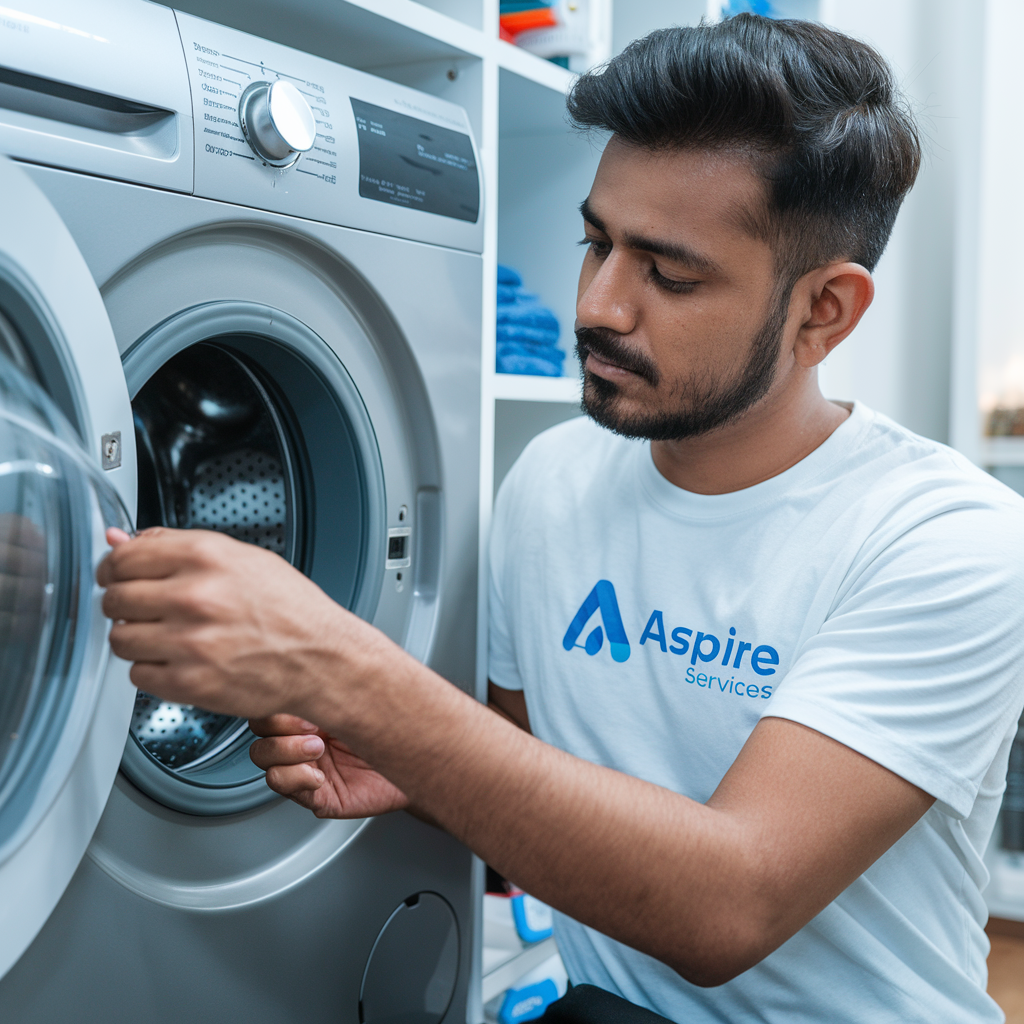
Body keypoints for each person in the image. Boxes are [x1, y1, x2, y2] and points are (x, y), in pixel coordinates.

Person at [98, 14, 1024, 1023]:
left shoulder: (949, 539)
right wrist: (406, 771)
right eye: (596, 243)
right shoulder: (553, 480)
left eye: (668, 274)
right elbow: (527, 780)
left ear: (823, 312)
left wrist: (344, 669)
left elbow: (730, 903)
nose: (597, 306)